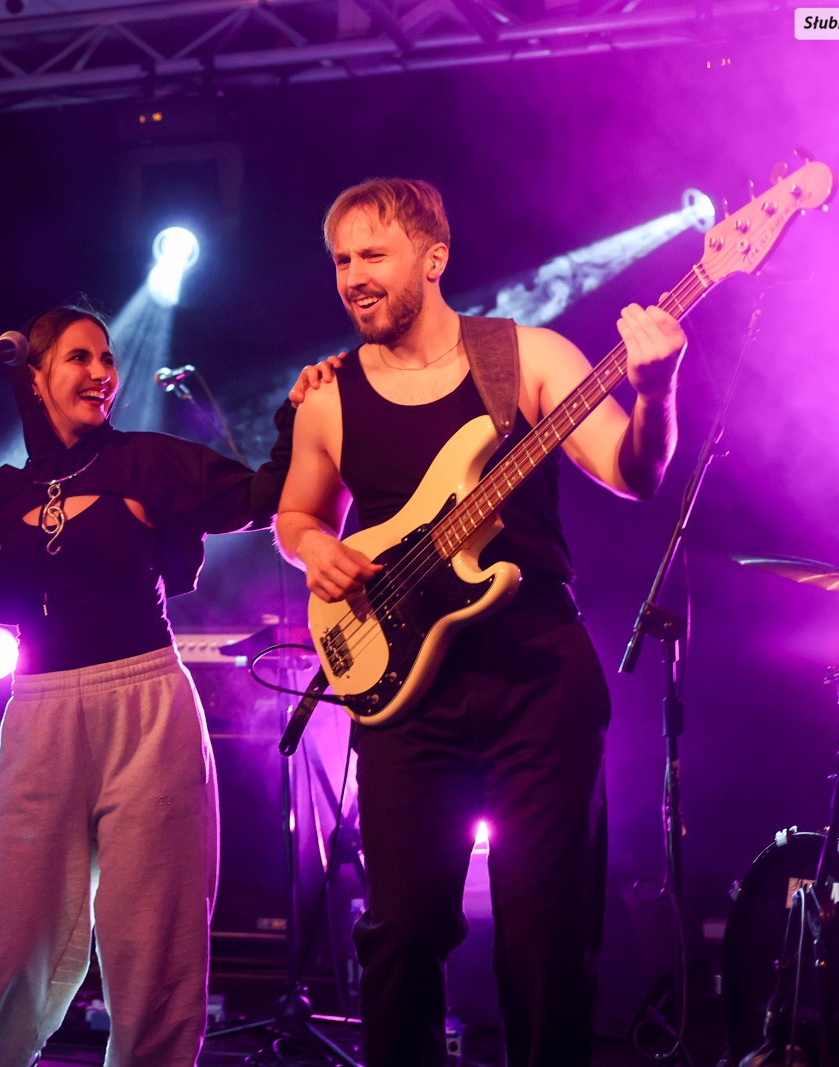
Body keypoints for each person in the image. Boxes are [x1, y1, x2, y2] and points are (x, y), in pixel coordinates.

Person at [0, 305, 326, 1067]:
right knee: (14, 934)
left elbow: (259, 498)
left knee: (153, 938)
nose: (101, 373)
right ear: (34, 379)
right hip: (41, 714)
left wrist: (298, 415)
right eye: (80, 357)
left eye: (107, 358)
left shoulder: (146, 460)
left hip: (146, 702)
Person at [273, 178, 686, 1067]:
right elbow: (296, 513)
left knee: (546, 938)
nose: (352, 276)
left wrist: (657, 393)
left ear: (434, 257)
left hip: (535, 674)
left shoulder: (528, 356)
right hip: (403, 692)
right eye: (341, 260)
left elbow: (635, 473)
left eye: (373, 255)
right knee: (400, 932)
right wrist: (314, 549)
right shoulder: (330, 396)